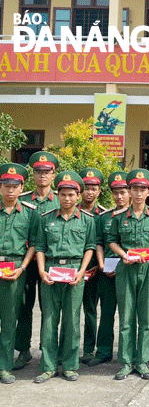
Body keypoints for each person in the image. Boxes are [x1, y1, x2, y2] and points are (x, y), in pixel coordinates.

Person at [34, 171, 96, 383]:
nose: (67, 198)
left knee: (71, 321)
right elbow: (40, 247)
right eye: (63, 194)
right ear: (57, 195)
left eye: (71, 194)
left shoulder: (87, 220)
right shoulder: (46, 218)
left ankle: (69, 365)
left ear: (78, 196)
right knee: (49, 321)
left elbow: (90, 247)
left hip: (74, 272)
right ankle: (48, 366)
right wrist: (42, 270)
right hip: (50, 271)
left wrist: (81, 271)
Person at [108, 169, 149, 381]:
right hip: (126, 267)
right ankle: (125, 362)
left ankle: (142, 361)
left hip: (148, 268)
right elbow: (112, 240)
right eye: (134, 189)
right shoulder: (118, 217)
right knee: (125, 317)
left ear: (148, 191)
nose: (138, 193)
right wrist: (123, 254)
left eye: (142, 189)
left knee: (145, 317)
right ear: (129, 191)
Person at [14, 151, 60, 371]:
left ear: (54, 174)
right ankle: (23, 350)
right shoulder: (22, 200)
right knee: (24, 307)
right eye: (38, 172)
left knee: (49, 309)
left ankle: (47, 350)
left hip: (51, 263)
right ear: (33, 174)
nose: (43, 175)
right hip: (25, 263)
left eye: (47, 172)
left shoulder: (60, 200)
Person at [87, 171, 130, 367]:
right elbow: (98, 243)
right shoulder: (104, 217)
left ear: (130, 192)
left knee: (129, 314)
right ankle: (103, 351)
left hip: (130, 270)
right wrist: (102, 264)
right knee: (106, 313)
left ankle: (127, 352)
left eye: (123, 192)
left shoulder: (139, 215)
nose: (119, 197)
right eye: (115, 193)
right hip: (107, 271)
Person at [0, 163, 37, 384]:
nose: (10, 190)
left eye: (15, 186)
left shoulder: (30, 214)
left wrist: (22, 267)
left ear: (22, 187)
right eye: (6, 185)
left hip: (15, 268)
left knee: (9, 319)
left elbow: (33, 244)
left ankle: (4, 366)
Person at [77, 168, 106, 364]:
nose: (89, 192)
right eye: (86, 188)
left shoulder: (103, 215)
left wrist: (97, 266)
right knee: (68, 312)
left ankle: (88, 349)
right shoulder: (72, 210)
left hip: (94, 271)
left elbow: (102, 242)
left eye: (93, 188)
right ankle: (64, 349)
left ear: (99, 191)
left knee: (90, 311)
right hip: (70, 269)